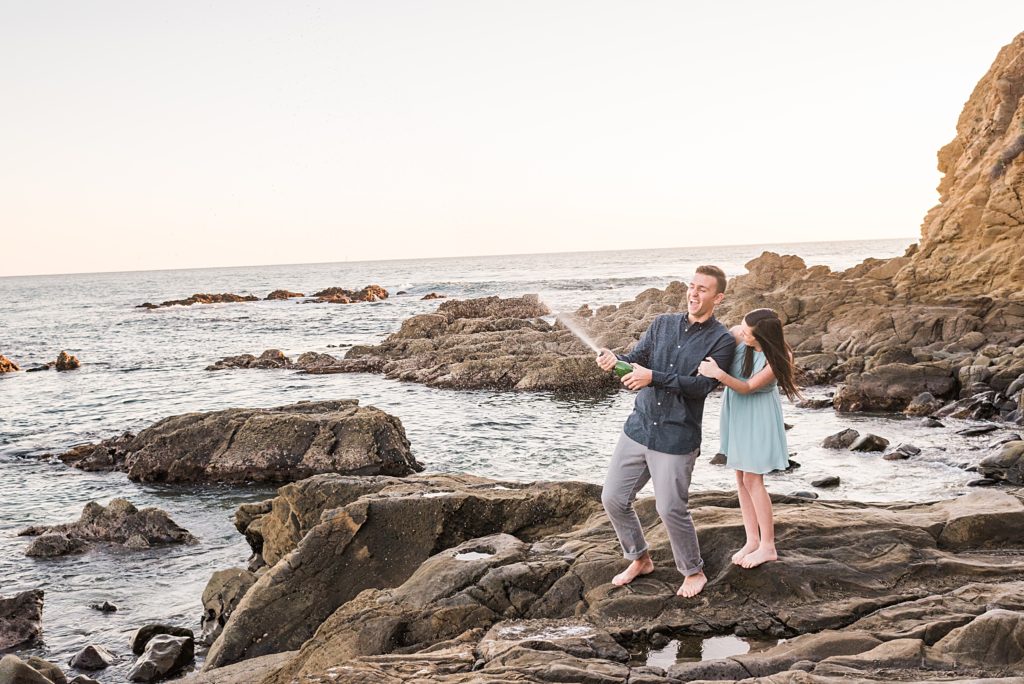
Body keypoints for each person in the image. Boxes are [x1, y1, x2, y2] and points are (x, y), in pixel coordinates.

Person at [596, 265, 736, 598]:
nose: (694, 293)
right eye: (692, 286)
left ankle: (693, 570)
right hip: (639, 427)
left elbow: (702, 386)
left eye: (703, 289)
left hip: (676, 437)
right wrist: (615, 360)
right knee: (613, 498)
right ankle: (639, 558)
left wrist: (652, 377)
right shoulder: (662, 324)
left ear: (718, 297)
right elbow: (635, 359)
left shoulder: (722, 341)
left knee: (670, 508)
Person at [697, 308, 800, 569]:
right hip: (738, 413)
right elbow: (714, 334)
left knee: (754, 479)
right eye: (742, 328)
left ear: (763, 338)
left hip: (758, 415)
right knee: (741, 478)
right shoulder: (740, 335)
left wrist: (717, 374)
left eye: (747, 333)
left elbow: (748, 387)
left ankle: (768, 546)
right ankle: (752, 539)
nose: (740, 333)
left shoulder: (779, 356)